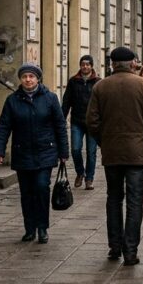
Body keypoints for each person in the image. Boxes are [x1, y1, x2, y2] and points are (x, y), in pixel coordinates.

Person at [87, 47, 143, 265]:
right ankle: (130, 251)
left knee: (113, 199)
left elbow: (91, 121)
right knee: (134, 201)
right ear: (133, 64)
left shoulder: (101, 86)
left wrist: (105, 141)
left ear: (112, 64)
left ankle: (114, 247)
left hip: (112, 153)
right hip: (138, 154)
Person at [0, 63, 69, 244]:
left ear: (38, 79)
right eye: (25, 76)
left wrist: (63, 151)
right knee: (26, 192)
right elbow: (4, 126)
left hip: (45, 151)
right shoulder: (13, 100)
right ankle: (29, 228)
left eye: (31, 76)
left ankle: (42, 228)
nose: (28, 79)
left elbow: (60, 126)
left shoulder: (50, 98)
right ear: (21, 79)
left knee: (42, 188)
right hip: (23, 152)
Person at [61, 55, 100, 190]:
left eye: (88, 64)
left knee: (91, 151)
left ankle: (89, 178)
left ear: (91, 66)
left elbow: (102, 103)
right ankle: (80, 173)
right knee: (76, 149)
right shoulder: (73, 81)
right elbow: (66, 101)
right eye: (83, 64)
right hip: (77, 121)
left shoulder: (98, 82)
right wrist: (62, 118)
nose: (85, 67)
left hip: (93, 122)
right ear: (80, 66)